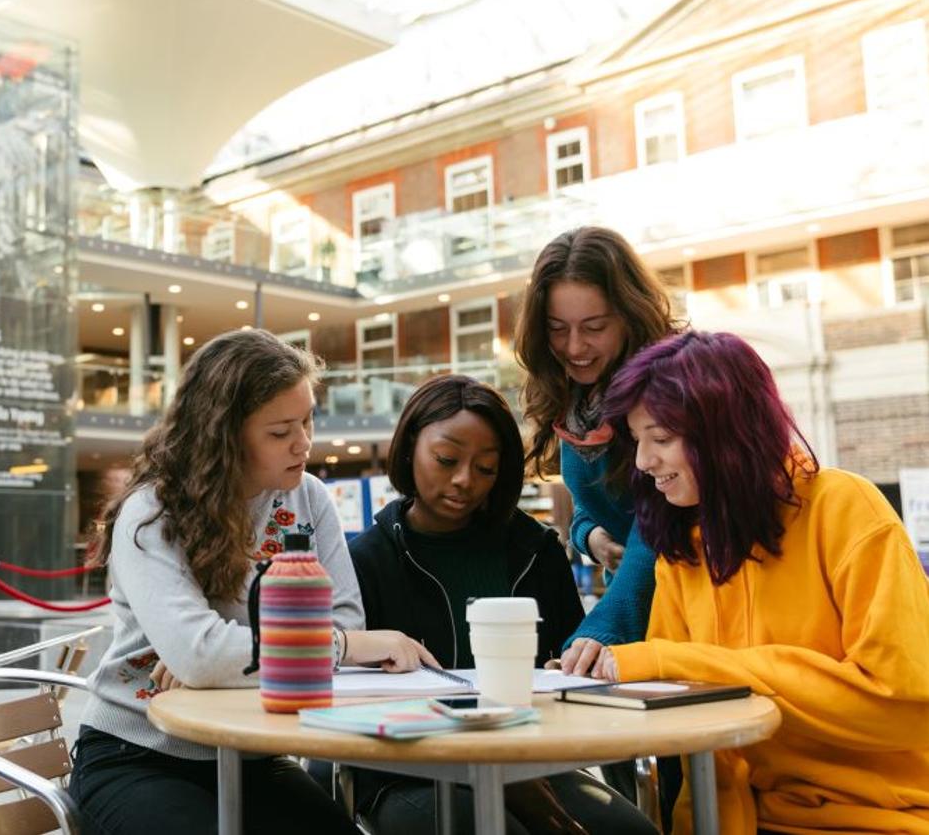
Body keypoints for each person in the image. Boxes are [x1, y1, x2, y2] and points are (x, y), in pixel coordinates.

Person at [70, 328, 438, 835]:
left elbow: (340, 616)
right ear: (224, 433)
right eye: (280, 430)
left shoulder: (309, 498)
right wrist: (342, 646)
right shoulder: (151, 512)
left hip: (251, 754)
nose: (304, 442)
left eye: (308, 420)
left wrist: (223, 655)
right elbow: (204, 655)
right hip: (137, 752)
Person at [588, 331, 929, 834]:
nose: (642, 462)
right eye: (638, 441)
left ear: (726, 434)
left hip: (880, 819)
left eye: (660, 439)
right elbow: (689, 722)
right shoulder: (682, 547)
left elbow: (903, 703)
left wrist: (666, 661)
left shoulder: (845, 508)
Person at [347, 374, 655, 835]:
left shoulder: (535, 551)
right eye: (446, 459)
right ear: (410, 447)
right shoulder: (367, 560)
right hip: (406, 770)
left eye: (486, 469)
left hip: (529, 760)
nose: (464, 481)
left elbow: (569, 677)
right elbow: (342, 692)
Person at [514, 227, 681, 670]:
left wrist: (599, 631)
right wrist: (592, 536)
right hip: (631, 613)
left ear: (630, 314)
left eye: (594, 327)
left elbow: (658, 521)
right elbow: (598, 506)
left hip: (677, 613)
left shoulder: (669, 388)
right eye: (556, 329)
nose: (574, 347)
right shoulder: (573, 400)